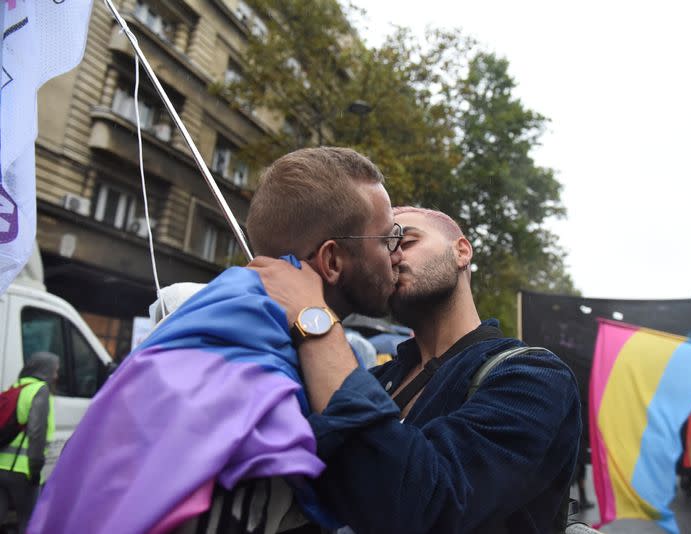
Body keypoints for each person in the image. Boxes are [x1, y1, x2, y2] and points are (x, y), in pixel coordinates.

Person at [29, 147, 404, 534]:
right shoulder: (265, 384)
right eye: (389, 237)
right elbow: (388, 485)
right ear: (332, 261)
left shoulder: (215, 324)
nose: (398, 254)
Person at [252, 206, 582, 533]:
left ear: (461, 251)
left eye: (405, 241)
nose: (390, 257)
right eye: (383, 248)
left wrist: (313, 316)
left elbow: (429, 506)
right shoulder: (378, 380)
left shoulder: (532, 375)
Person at [0, 352, 58, 532]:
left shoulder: (16, 387)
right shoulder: (40, 390)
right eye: (55, 371)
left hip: (1, 467)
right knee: (29, 522)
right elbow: (36, 431)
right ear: (45, 370)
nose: (56, 376)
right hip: (22, 470)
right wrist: (35, 468)